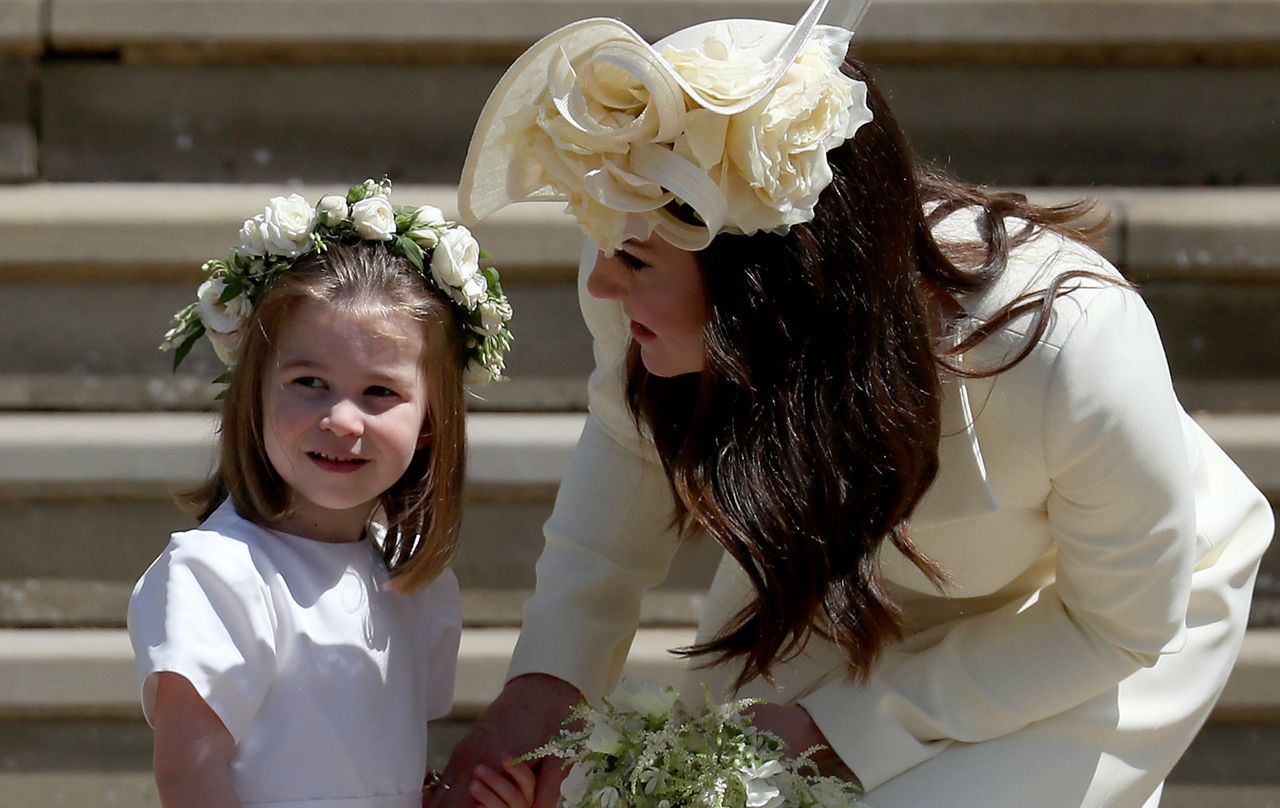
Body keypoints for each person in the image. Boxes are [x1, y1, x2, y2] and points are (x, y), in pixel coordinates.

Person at [438, 0, 1277, 806]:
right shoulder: (642, 260)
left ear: (769, 284)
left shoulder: (1071, 347)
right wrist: (545, 686)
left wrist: (842, 728)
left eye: (632, 260)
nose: (598, 282)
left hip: (1090, 621)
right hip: (847, 567)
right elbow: (628, 461)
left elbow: (1118, 627)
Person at [127, 180, 528, 808]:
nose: (342, 420)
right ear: (253, 394)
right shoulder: (219, 574)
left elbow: (376, 778)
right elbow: (188, 776)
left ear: (431, 423)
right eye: (309, 381)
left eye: (379, 393)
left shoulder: (411, 584)